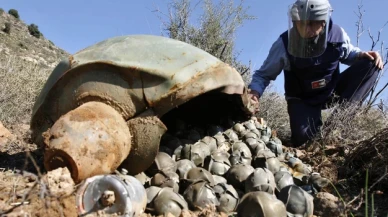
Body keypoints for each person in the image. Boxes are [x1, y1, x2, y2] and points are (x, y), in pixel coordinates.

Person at [248, 0, 384, 147]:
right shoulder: (284, 43)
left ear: (324, 21)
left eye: (313, 23)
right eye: (302, 23)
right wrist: (254, 93)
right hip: (302, 98)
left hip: (331, 91)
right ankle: (309, 133)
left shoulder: (337, 35)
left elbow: (348, 53)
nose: (306, 29)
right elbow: (263, 75)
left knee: (371, 64)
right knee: (305, 142)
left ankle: (336, 127)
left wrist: (361, 55)